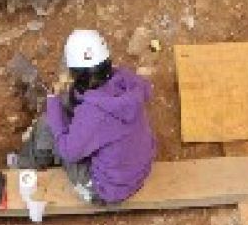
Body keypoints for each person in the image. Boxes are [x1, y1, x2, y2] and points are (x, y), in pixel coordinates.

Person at [16, 30, 156, 205]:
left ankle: (24, 166)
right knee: (67, 110)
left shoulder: (94, 113)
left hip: (108, 189)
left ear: (76, 73)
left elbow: (69, 153)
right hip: (137, 168)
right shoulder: (126, 79)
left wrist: (53, 99)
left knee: (47, 125)